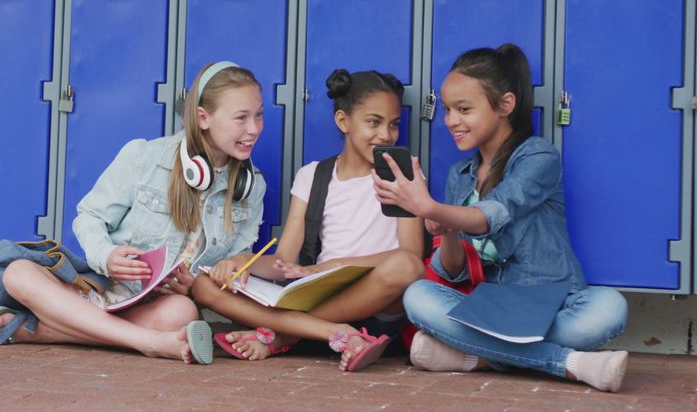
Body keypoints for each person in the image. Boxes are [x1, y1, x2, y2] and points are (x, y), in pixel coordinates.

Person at [375, 44, 629, 391]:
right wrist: (445, 230)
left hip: (556, 304)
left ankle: (476, 357)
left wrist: (429, 207)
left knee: (609, 308)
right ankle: (569, 363)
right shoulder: (459, 174)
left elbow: (492, 214)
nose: (451, 121)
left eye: (464, 109)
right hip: (492, 310)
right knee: (418, 295)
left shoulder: (538, 156)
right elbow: (454, 269)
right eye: (448, 109)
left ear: (505, 105)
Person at [0, 62, 267, 365]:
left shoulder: (251, 187)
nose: (254, 128)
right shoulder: (144, 158)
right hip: (98, 289)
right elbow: (89, 216)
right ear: (203, 118)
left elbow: (234, 265)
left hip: (153, 307)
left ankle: (47, 330)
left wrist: (196, 285)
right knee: (18, 272)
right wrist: (107, 256)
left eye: (259, 115)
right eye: (241, 118)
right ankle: (149, 343)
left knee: (183, 313)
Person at [192, 69, 425, 372]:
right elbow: (285, 259)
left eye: (393, 125)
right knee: (202, 285)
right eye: (374, 122)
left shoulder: (403, 176)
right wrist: (241, 261)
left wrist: (326, 267)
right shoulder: (313, 176)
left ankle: (280, 335)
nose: (386, 135)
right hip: (316, 299)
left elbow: (410, 256)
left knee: (406, 267)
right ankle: (329, 332)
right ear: (343, 121)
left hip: (376, 307)